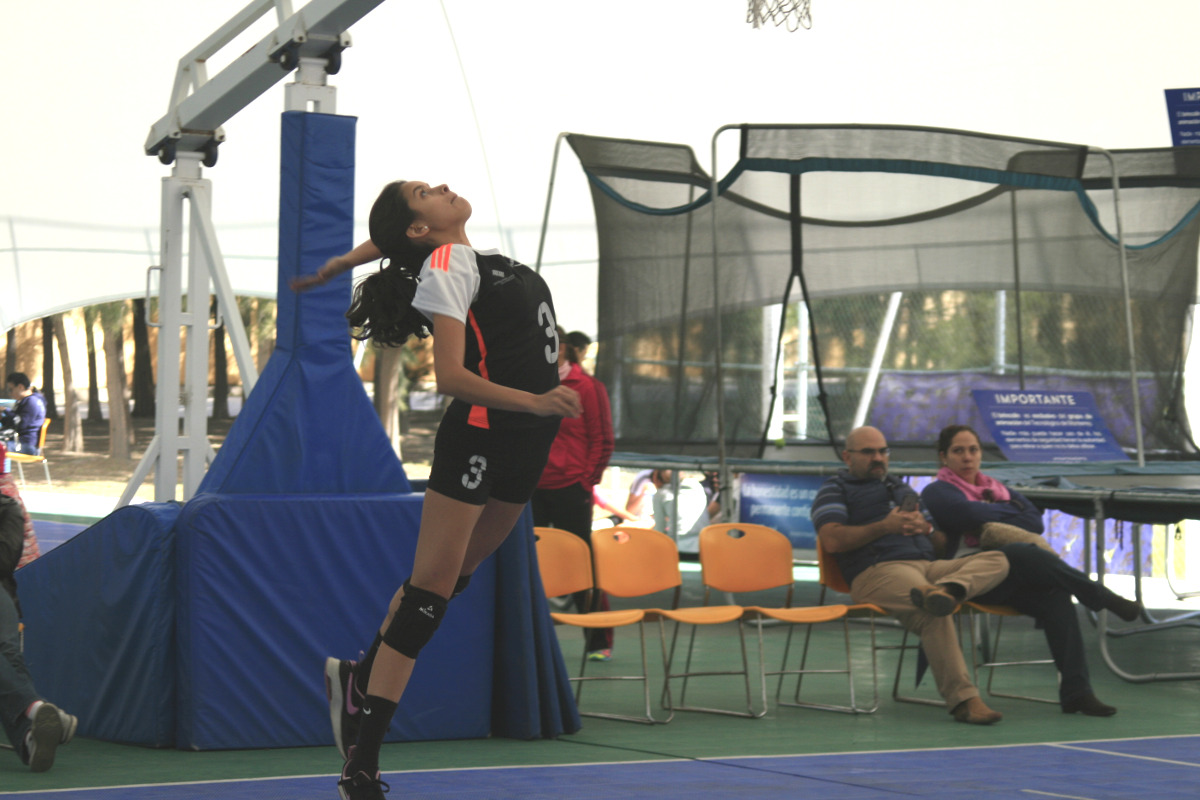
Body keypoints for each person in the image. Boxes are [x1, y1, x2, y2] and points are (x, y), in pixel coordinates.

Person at [293, 180, 581, 800]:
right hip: (481, 437)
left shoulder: (471, 259)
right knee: (428, 597)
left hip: (529, 441)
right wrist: (534, 399)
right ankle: (361, 765)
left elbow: (394, 239)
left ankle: (358, 675)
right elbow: (451, 375)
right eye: (426, 191)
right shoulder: (447, 264)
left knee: (451, 583)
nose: (444, 186)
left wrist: (347, 259)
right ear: (421, 230)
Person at [920, 424, 1143, 716]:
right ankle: (1101, 596)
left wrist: (996, 516)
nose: (967, 457)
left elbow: (1034, 521)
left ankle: (1077, 693)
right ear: (943, 457)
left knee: (1056, 594)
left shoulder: (996, 487)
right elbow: (968, 514)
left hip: (1008, 578)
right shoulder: (937, 490)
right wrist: (1009, 513)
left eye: (973, 450)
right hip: (965, 578)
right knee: (1020, 551)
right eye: (958, 451)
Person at [811, 426, 1012, 724]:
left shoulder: (903, 490)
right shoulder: (835, 489)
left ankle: (948, 590)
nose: (878, 458)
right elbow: (832, 540)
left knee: (999, 559)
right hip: (877, 571)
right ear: (847, 456)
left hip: (929, 568)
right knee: (934, 611)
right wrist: (883, 527)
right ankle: (965, 701)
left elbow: (942, 546)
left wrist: (926, 529)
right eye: (868, 452)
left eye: (883, 451)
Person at [531, 327, 616, 661]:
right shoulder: (527, 382)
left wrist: (585, 480)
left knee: (582, 564)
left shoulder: (589, 387)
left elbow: (603, 439)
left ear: (563, 348)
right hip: (530, 488)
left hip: (571, 488)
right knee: (524, 564)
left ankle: (598, 640)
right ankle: (528, 640)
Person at [0, 443, 77, 772]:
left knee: (6, 653)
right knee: (5, 655)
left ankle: (33, 733)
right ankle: (36, 714)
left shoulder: (7, 510)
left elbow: (3, 562)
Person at [650, 469, 712, 555]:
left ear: (657, 479)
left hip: (677, 547)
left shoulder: (661, 494)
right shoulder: (698, 487)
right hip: (704, 546)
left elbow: (659, 529)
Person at [1, 374, 46, 456]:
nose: (10, 393)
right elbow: (14, 421)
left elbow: (20, 424)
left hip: (27, 445)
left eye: (11, 389)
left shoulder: (32, 402)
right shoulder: (27, 400)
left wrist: (5, 410)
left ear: (21, 387)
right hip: (20, 442)